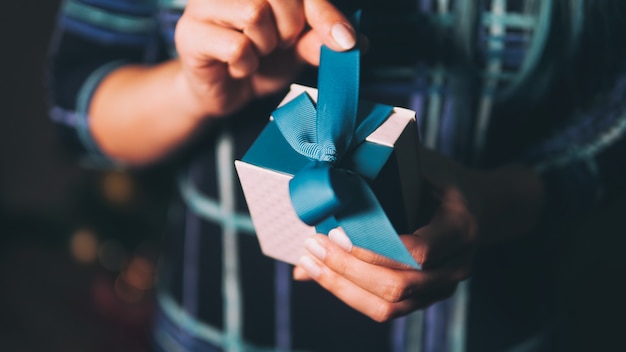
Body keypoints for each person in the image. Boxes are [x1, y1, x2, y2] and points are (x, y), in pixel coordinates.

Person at [47, 0, 626, 351]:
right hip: (221, 328)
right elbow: (78, 105)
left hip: (495, 330)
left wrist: (494, 201)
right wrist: (193, 89)